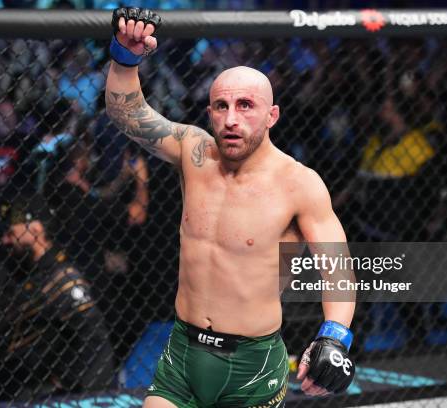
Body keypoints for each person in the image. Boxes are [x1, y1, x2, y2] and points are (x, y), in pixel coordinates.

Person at [105, 8, 356, 407]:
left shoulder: (298, 184)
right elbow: (128, 114)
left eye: (245, 106)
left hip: (251, 365)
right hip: (183, 352)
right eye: (221, 106)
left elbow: (337, 267)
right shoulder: (194, 152)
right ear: (209, 113)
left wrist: (334, 336)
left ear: (271, 115)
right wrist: (125, 57)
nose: (231, 119)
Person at [0, 194, 114, 400]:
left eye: (10, 232)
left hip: (39, 394)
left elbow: (94, 339)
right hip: (8, 389)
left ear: (35, 229)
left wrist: (65, 386)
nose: (5, 240)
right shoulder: (22, 273)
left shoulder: (61, 277)